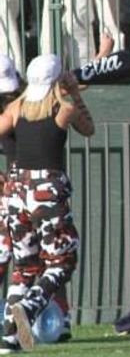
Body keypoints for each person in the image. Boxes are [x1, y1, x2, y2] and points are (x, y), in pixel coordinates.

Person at [0, 53, 94, 354]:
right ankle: (28, 308)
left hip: (16, 190)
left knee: (25, 266)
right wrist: (75, 92)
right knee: (62, 261)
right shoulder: (62, 108)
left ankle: (11, 339)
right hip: (46, 190)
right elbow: (88, 127)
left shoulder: (16, 107)